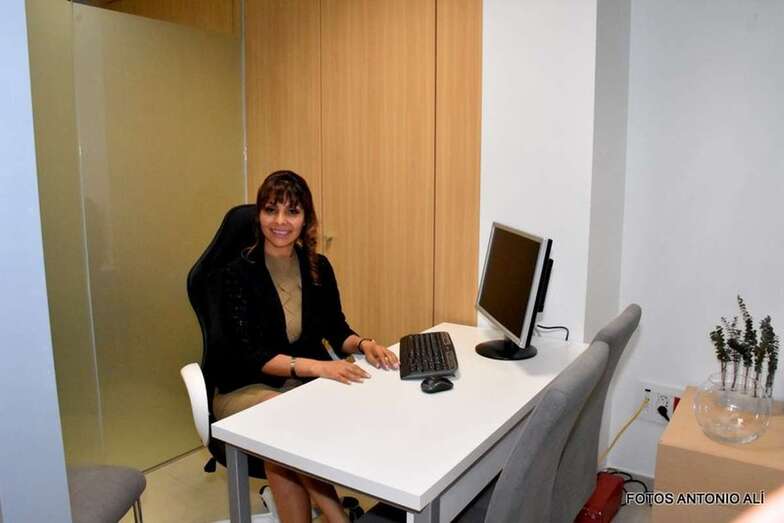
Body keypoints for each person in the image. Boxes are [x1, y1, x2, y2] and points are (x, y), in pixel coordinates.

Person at [211, 170, 398, 523]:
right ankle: (337, 516)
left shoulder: (318, 267)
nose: (280, 221)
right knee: (284, 426)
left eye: (292, 211)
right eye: (271, 210)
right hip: (244, 386)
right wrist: (318, 367)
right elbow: (251, 355)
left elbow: (336, 328)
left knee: (304, 425)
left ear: (305, 219)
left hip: (299, 386)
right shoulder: (236, 274)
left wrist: (364, 343)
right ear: (259, 216)